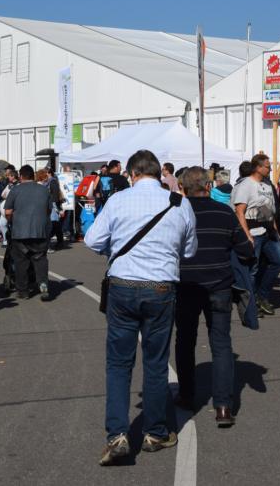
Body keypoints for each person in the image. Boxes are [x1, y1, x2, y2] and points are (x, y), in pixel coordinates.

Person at [84, 149, 198, 466]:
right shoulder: (179, 203)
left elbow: (92, 240)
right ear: (160, 174)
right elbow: (189, 250)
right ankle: (155, 432)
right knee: (156, 361)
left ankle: (117, 435)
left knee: (119, 363)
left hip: (123, 284)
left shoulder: (118, 200)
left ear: (133, 174)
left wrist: (115, 247)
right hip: (161, 286)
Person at [173, 167, 254, 427]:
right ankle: (223, 406)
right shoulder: (224, 212)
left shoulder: (176, 212)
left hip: (186, 284)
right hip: (219, 283)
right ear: (209, 186)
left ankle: (186, 395)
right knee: (221, 344)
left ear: (183, 188)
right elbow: (244, 249)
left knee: (185, 340)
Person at [231, 154, 280, 316]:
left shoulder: (267, 185)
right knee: (252, 269)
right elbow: (239, 211)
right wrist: (247, 235)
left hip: (268, 230)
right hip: (253, 231)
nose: (270, 169)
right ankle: (251, 303)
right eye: (267, 166)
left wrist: (275, 231)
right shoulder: (246, 185)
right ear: (258, 167)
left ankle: (262, 295)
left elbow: (269, 211)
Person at [5, 165, 54, 300]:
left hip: (20, 231)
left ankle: (23, 290)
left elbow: (8, 212)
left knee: (21, 261)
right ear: (33, 176)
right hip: (40, 231)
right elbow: (48, 210)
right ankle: (43, 284)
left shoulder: (15, 190)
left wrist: (12, 221)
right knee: (40, 259)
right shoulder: (44, 190)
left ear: (20, 176)